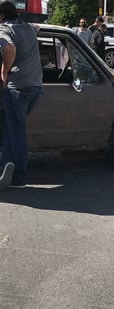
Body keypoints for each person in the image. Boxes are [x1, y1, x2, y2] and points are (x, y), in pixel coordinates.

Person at [0, 0, 42, 189]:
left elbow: (9, 48)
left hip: (17, 88)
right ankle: (7, 167)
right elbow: (38, 27)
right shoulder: (27, 28)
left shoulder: (4, 30)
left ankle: (19, 177)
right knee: (9, 129)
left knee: (15, 132)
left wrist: (4, 72)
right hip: (35, 87)